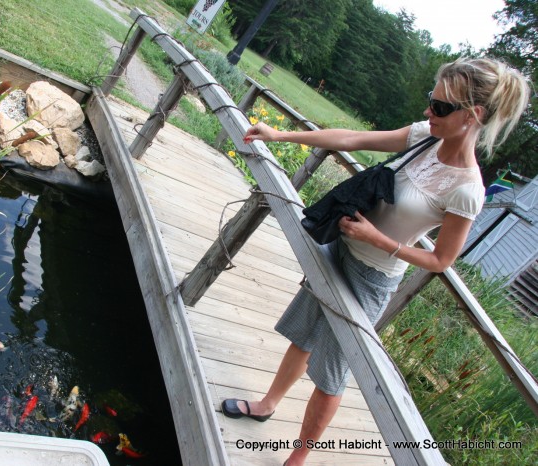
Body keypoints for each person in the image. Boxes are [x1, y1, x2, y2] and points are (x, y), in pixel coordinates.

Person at [220, 57, 531, 465]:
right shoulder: (425, 137)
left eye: (439, 107)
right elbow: (352, 138)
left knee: (332, 376)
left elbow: (440, 259)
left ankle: (296, 459)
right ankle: (267, 404)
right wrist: (278, 135)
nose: (427, 112)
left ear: (471, 116)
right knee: (302, 336)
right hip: (340, 250)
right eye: (429, 100)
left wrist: (378, 238)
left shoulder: (467, 189)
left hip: (372, 278)